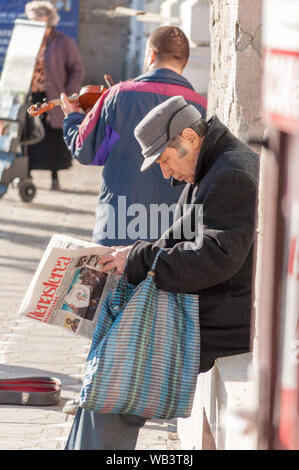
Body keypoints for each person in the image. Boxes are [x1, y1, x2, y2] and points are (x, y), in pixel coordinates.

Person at [64, 96, 259, 450]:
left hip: (214, 321)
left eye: (165, 160)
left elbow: (216, 256)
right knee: (102, 370)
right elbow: (174, 242)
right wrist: (127, 259)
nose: (165, 173)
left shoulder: (231, 173)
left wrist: (138, 259)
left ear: (189, 137)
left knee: (114, 383)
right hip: (200, 309)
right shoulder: (214, 167)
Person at [61, 25, 207, 246]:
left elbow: (87, 152)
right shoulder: (202, 107)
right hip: (173, 238)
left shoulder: (118, 95)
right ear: (185, 63)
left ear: (151, 55)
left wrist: (72, 119)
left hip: (119, 227)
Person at [25, 1, 84, 190]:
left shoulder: (64, 42)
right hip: (30, 95)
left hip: (52, 96)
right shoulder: (27, 39)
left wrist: (67, 94)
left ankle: (54, 177)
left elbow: (77, 70)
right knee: (28, 136)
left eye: (36, 19)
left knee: (52, 137)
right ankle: (27, 174)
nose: (33, 22)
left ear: (46, 19)